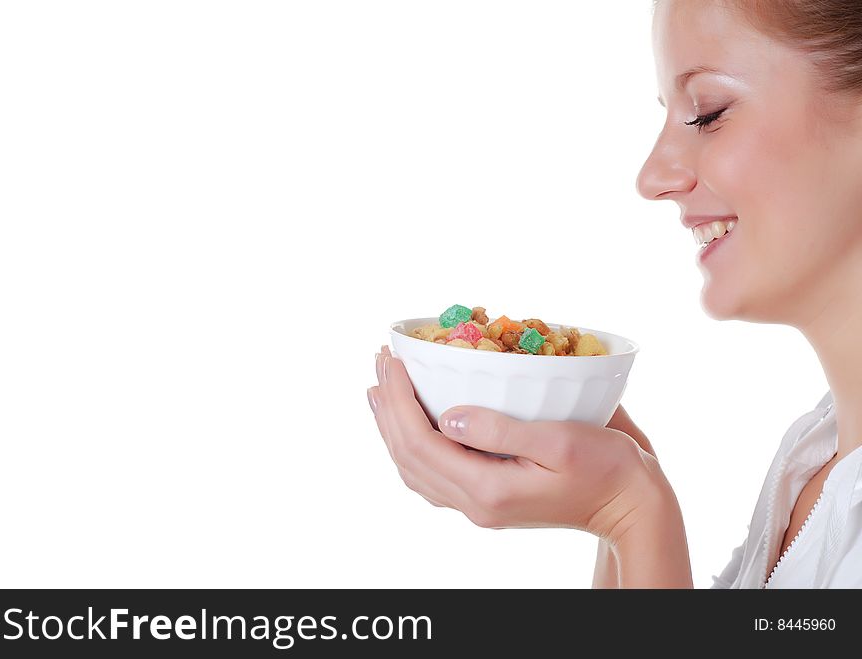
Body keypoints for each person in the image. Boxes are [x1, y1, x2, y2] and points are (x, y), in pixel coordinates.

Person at [367, 0, 862, 588]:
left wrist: (631, 512)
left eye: (707, 113)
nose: (653, 177)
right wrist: (619, 497)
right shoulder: (816, 456)